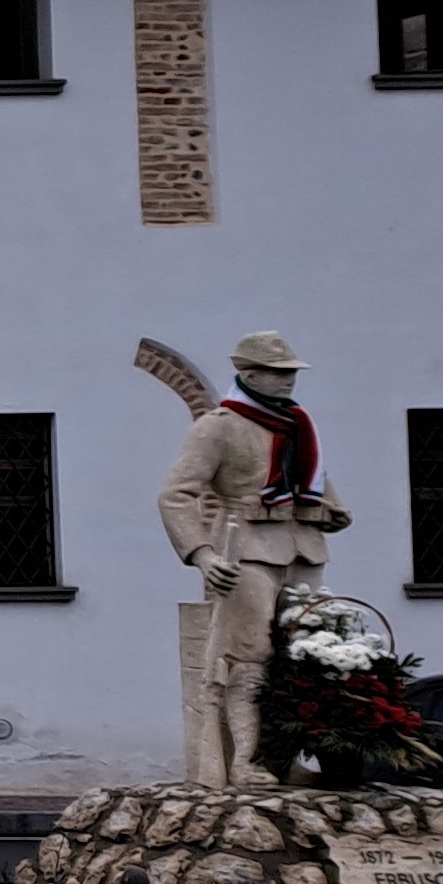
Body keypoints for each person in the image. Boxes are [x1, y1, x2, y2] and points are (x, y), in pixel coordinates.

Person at [156, 330, 351, 785]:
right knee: (250, 655)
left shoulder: (299, 424)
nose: (289, 382)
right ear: (249, 375)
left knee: (307, 654)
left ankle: (291, 757)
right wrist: (202, 554)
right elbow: (176, 495)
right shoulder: (219, 426)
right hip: (247, 548)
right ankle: (247, 761)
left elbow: (318, 481)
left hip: (303, 545)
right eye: (278, 373)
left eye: (291, 374)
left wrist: (333, 509)